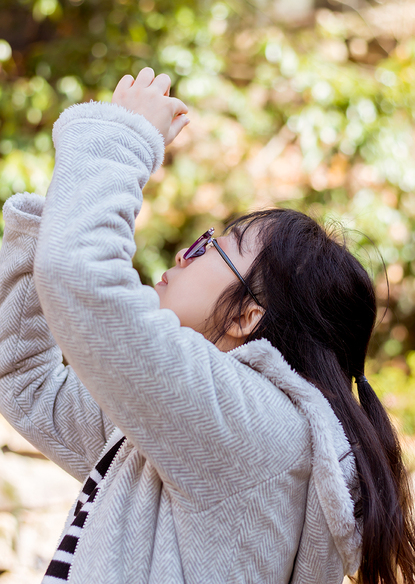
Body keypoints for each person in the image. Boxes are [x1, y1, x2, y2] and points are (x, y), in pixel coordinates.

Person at [0, 67, 414, 584]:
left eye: (210, 247)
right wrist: (65, 208)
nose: (183, 253)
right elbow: (25, 381)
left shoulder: (250, 425)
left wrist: (124, 137)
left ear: (247, 314)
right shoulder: (197, 420)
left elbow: (81, 279)